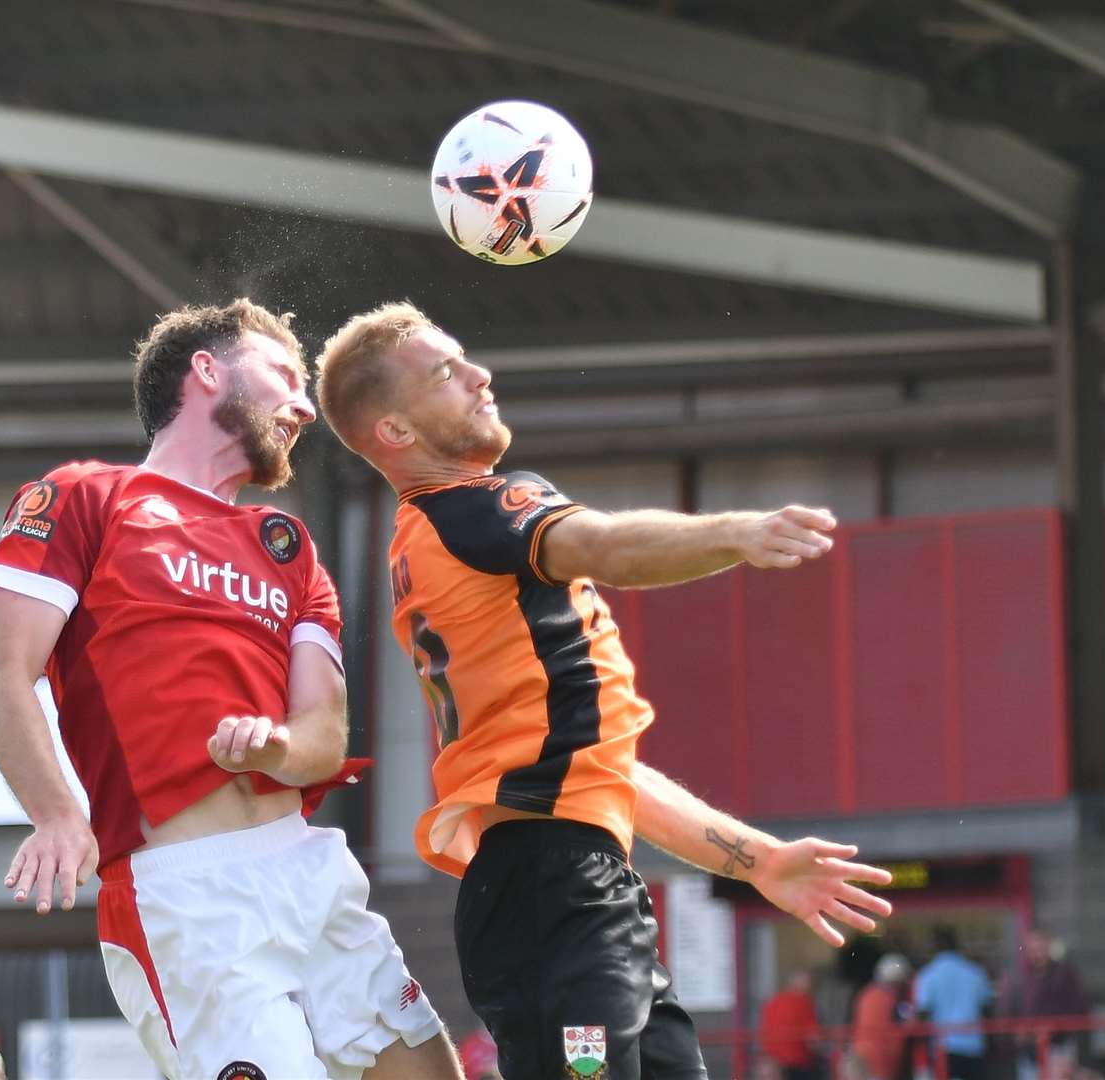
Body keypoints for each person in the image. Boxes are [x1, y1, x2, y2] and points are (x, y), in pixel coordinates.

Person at [314, 301, 894, 1080]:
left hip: (570, 887)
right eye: (446, 373)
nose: (482, 377)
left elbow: (605, 772)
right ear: (397, 432)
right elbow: (609, 547)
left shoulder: (440, 541)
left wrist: (756, 861)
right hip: (553, 893)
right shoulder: (475, 511)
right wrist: (736, 533)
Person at [0, 299, 461, 1080]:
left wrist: (278, 744)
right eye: (282, 376)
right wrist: (58, 815)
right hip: (186, 896)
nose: (303, 405)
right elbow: (1, 680)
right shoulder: (84, 498)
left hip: (308, 868)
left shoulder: (289, 545)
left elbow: (323, 738)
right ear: (207, 371)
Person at [1004, 929, 1087, 1080]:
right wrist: (1017, 1030)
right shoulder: (1020, 978)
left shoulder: (1064, 973)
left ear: (1048, 947)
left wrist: (1054, 1027)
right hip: (1029, 1052)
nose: (1036, 954)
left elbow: (1079, 1008)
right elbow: (1011, 1010)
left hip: (1059, 1048)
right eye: (1032, 950)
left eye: (1040, 949)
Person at [914, 926, 994, 1080]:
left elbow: (923, 1012)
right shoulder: (975, 972)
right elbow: (987, 1008)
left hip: (943, 1049)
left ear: (935, 946)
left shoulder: (928, 975)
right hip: (973, 1046)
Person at [849, 953, 912, 1080]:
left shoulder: (865, 994)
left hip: (859, 1057)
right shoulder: (890, 999)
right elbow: (903, 1027)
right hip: (881, 1061)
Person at [760, 969, 826, 1080]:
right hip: (796, 1065)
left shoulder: (772, 1001)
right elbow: (814, 1040)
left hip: (771, 1063)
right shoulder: (804, 1003)